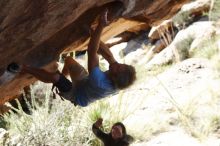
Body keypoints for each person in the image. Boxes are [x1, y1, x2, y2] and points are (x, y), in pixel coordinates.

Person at [21, 9, 136, 107]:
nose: (116, 64)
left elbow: (92, 51)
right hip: (85, 83)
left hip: (77, 96)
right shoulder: (119, 73)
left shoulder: (100, 82)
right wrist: (92, 31)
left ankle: (25, 68)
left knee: (55, 77)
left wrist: (101, 25)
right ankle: (63, 77)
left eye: (117, 67)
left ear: (113, 77)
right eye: (121, 65)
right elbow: (108, 55)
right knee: (69, 61)